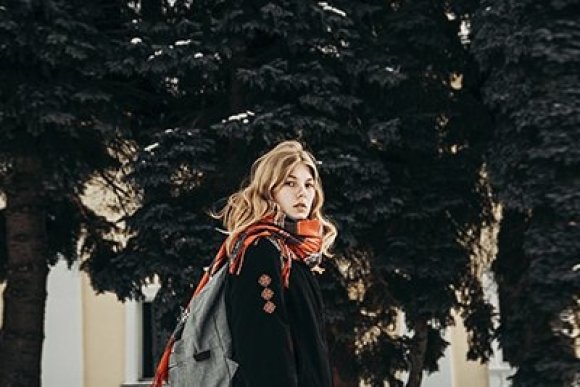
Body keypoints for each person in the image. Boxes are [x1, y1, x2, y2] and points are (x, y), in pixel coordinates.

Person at [211, 139, 337, 387]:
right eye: (290, 183)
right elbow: (262, 345)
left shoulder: (294, 255)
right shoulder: (260, 250)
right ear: (270, 190)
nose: (302, 192)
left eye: (309, 185)